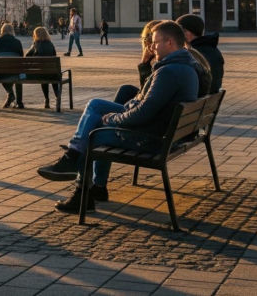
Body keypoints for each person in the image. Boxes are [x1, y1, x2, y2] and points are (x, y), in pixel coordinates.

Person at [37, 20, 199, 213]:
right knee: (96, 106)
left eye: (155, 42)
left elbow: (142, 114)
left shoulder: (169, 72)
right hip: (163, 131)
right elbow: (147, 105)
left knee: (93, 133)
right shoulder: (183, 66)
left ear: (170, 43)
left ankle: (81, 189)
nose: (152, 46)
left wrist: (112, 119)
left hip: (150, 138)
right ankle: (79, 166)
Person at [177, 13, 225, 94]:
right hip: (207, 101)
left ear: (187, 33)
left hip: (195, 100)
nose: (176, 36)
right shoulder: (213, 49)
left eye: (178, 32)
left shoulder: (192, 55)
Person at [26, 26, 59, 109]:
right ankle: (58, 96)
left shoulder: (35, 45)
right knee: (52, 76)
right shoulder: (50, 44)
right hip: (52, 73)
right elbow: (54, 56)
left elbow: (26, 56)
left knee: (43, 75)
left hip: (39, 73)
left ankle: (47, 99)